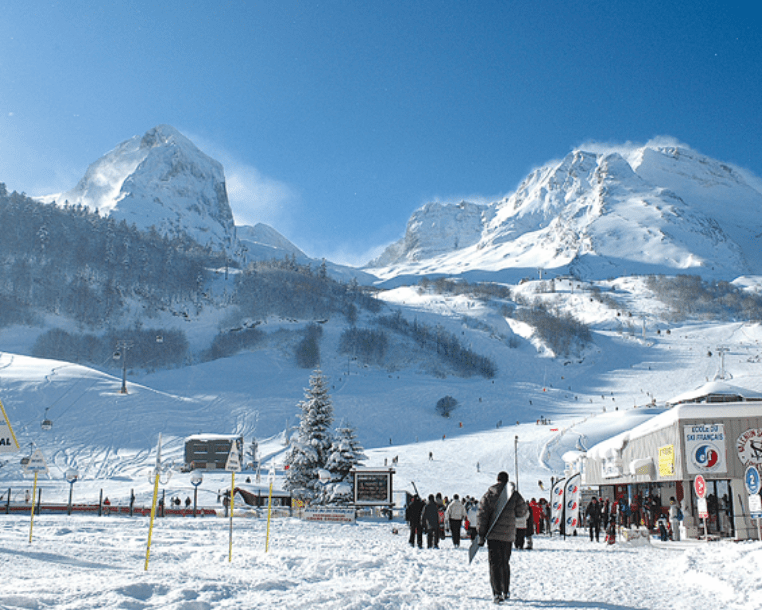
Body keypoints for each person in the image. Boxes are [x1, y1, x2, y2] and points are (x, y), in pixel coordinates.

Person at [476, 471, 527, 604]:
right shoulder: (514, 495)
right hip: (508, 535)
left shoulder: (489, 494)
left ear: (497, 480)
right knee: (505, 562)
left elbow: (482, 515)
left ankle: (497, 592)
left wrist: (481, 534)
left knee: (494, 564)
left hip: (493, 535)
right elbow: (522, 512)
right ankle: (506, 590)